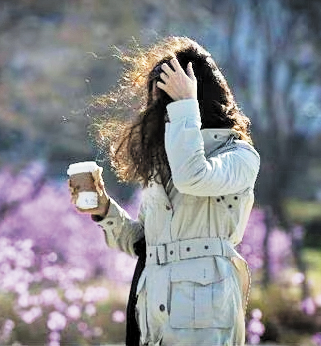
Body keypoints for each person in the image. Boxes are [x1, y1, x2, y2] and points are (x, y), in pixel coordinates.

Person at [68, 36, 260, 346]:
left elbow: (194, 178)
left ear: (199, 97)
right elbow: (145, 244)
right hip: (153, 314)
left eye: (166, 100)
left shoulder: (239, 155)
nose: (159, 111)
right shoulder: (167, 159)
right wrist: (105, 210)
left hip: (205, 314)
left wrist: (185, 104)